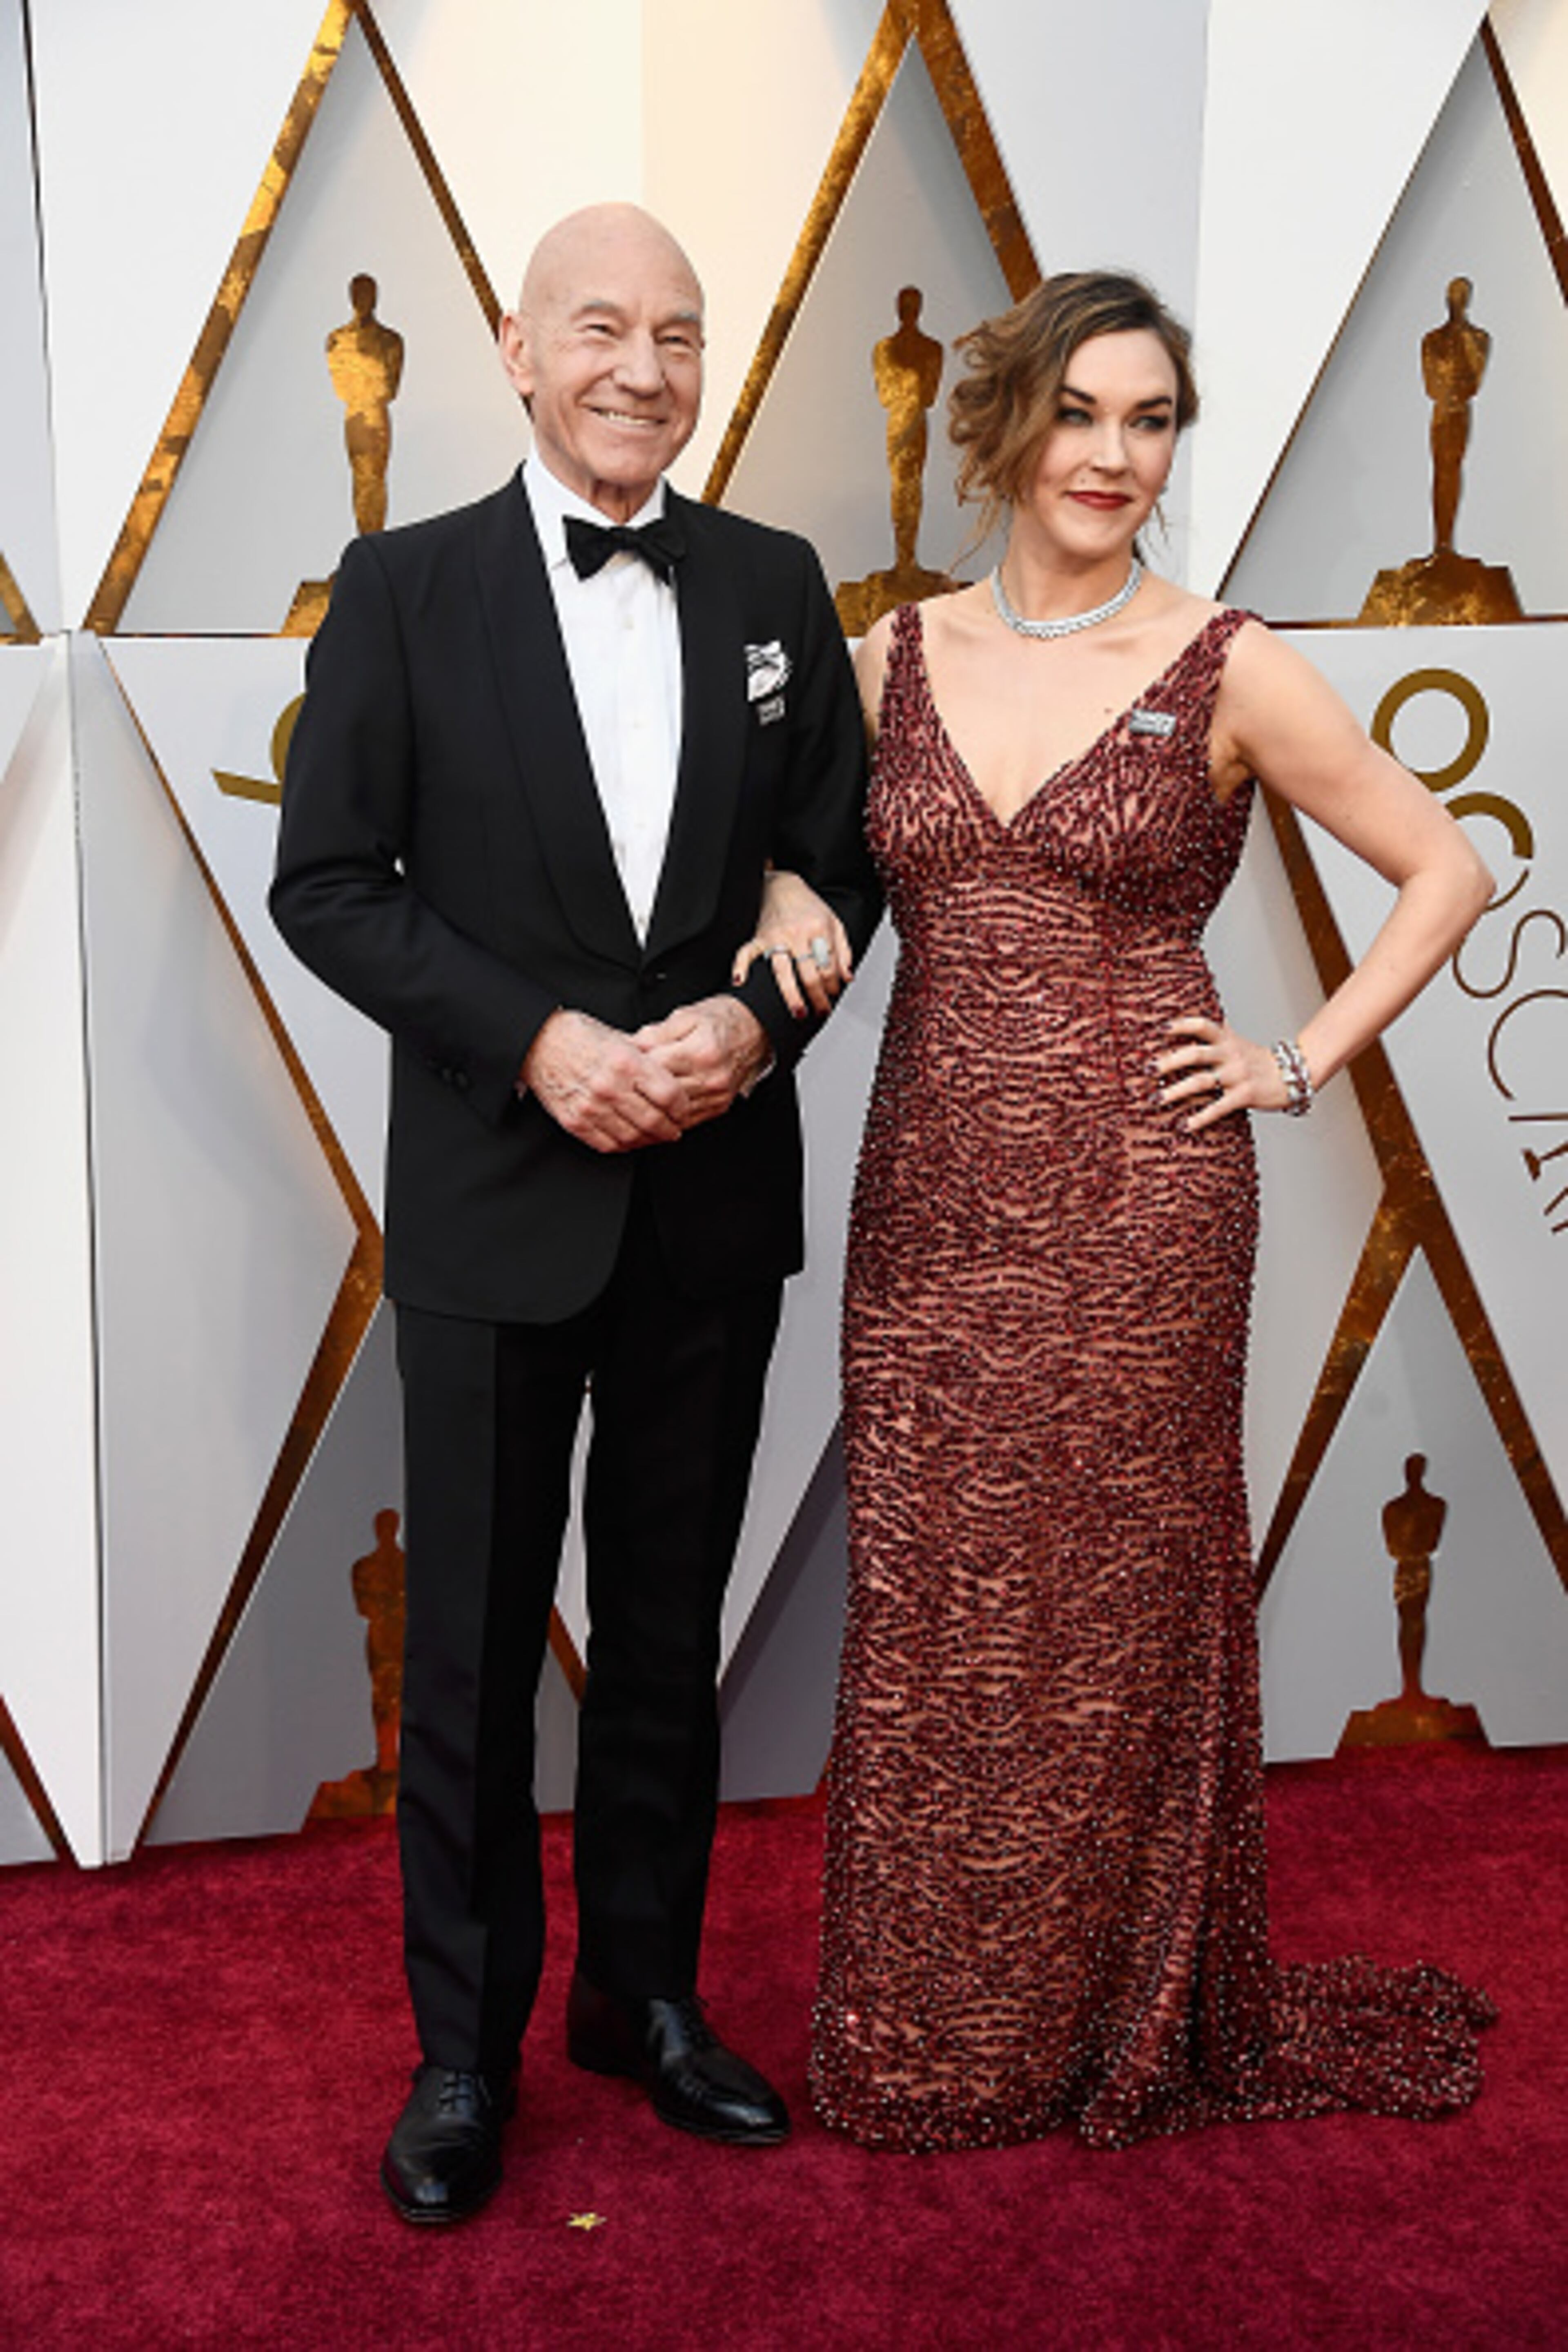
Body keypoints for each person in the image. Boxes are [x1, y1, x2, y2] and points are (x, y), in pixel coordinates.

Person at [769, 268, 1495, 2151]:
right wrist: (783, 897)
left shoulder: (1230, 659)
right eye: (1082, 412)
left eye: (1151, 419)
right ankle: (938, 2026)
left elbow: (1447, 866)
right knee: (941, 1606)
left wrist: (1297, 1054)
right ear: (1007, 421)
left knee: (1111, 1605)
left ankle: (1116, 2017)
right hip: (930, 1190)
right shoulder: (893, 655)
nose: (1115, 455)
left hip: (1149, 1198)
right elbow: (824, 882)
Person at [271, 203, 879, 2222]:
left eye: (681, 336)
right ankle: (463, 2056)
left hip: (710, 1203)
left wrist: (754, 1024)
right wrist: (535, 1042)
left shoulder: (781, 585)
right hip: (493, 1200)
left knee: (662, 1635)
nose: (645, 366)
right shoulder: (401, 586)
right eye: (603, 328)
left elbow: (835, 876)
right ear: (518, 350)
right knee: (461, 1657)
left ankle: (644, 1998)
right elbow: (332, 883)